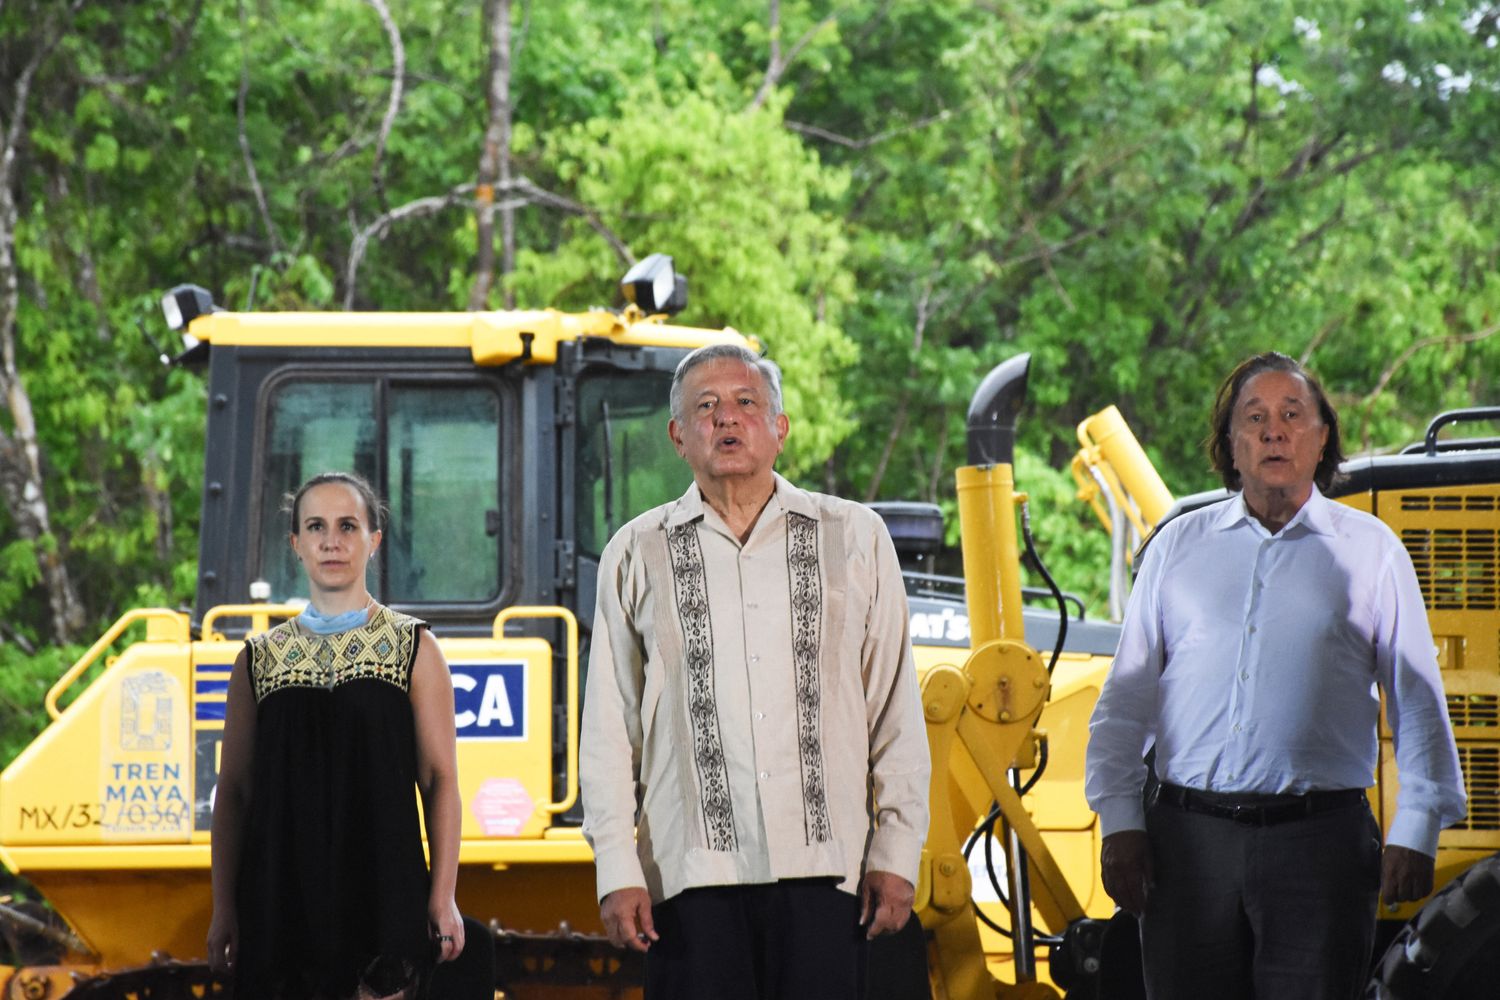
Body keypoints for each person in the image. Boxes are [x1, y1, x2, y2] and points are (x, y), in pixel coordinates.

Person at [1085, 352, 1467, 1000]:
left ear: (1322, 440)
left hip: (1320, 852)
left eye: (1293, 415)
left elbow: (1418, 700)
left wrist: (1418, 825)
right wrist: (1121, 821)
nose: (1274, 431)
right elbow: (1126, 699)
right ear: (1231, 447)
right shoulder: (1177, 547)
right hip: (1186, 849)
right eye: (1254, 418)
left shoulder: (1372, 552)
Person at [579, 343, 931, 999]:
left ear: (780, 427)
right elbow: (608, 729)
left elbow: (895, 712)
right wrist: (617, 868)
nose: (727, 420)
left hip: (830, 872)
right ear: (678, 436)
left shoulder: (853, 536)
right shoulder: (636, 551)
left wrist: (896, 852)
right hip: (690, 878)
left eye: (746, 402)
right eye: (706, 407)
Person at [207, 471, 465, 999]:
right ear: (296, 544)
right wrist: (223, 907)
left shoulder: (413, 648)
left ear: (373, 541)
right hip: (280, 899)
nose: (331, 540)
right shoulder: (257, 660)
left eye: (348, 526)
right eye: (316, 527)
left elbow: (440, 781)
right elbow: (233, 792)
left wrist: (443, 897)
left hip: (383, 893)